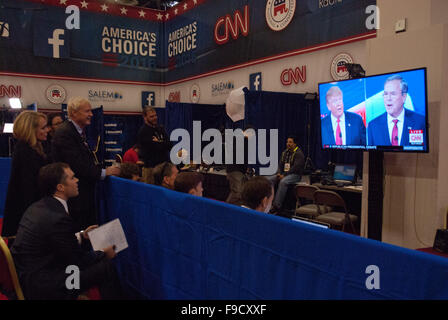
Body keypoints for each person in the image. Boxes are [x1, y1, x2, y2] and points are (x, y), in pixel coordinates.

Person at [11, 162, 122, 300]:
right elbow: (77, 262)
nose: (77, 180)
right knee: (106, 267)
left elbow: (56, 243)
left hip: (31, 276)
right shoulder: (58, 218)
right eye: (72, 178)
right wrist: (103, 253)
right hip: (47, 286)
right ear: (60, 187)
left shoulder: (37, 207)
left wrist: (82, 235)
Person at [51, 97, 120, 231]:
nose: (91, 114)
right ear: (74, 113)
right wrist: (104, 172)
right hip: (76, 198)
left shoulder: (75, 132)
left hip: (81, 195)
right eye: (87, 111)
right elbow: (77, 164)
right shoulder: (66, 133)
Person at [1, 111, 50, 238]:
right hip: (26, 216)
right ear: (31, 129)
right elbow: (28, 188)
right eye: (43, 128)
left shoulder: (34, 148)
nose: (47, 130)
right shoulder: (25, 151)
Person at [367, 75, 426, 146]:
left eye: (393, 94)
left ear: (404, 97)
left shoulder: (420, 122)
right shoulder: (373, 125)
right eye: (385, 94)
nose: (388, 98)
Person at [267, 136, 305, 214]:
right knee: (269, 179)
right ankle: (268, 201)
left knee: (283, 182)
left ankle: (276, 205)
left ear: (295, 144)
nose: (288, 144)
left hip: (295, 175)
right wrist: (279, 173)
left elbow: (295, 168)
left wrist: (284, 175)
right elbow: (280, 165)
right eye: (287, 142)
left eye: (290, 142)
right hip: (284, 174)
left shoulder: (299, 154)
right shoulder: (285, 152)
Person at [225, 126, 254, 205]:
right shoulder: (240, 139)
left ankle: (234, 210)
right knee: (237, 193)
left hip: (238, 170)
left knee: (239, 193)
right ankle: (225, 209)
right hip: (235, 170)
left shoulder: (242, 140)